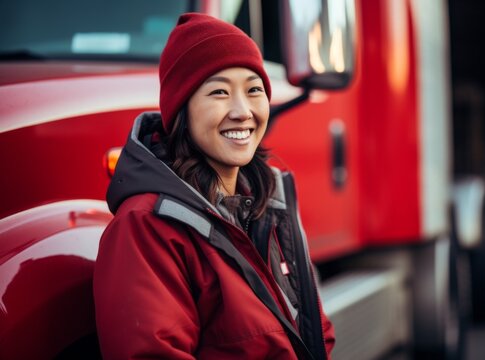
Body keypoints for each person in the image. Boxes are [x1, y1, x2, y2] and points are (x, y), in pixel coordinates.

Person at [93, 13, 335, 359]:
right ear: (182, 110)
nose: (242, 111)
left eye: (254, 90)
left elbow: (315, 336)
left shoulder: (268, 207)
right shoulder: (146, 225)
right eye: (219, 92)